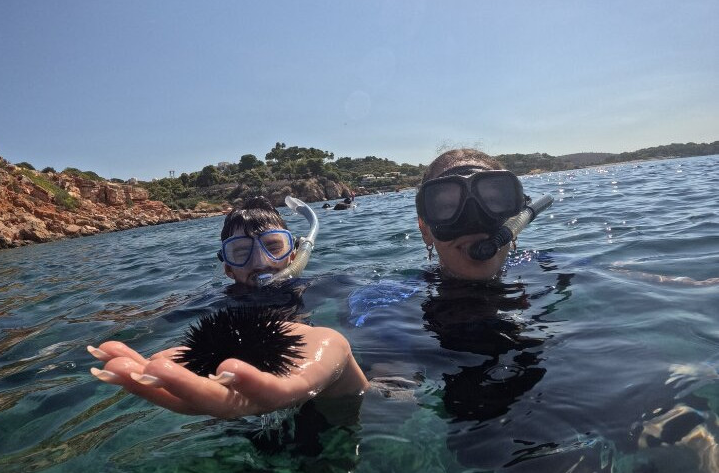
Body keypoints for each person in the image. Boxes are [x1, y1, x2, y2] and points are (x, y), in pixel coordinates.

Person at [89, 196, 369, 417]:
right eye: (241, 251)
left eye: (273, 246)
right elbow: (154, 325)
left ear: (293, 254)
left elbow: (371, 312)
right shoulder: (213, 301)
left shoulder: (326, 285)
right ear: (228, 269)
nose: (260, 261)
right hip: (236, 385)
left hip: (321, 384)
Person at [415, 148, 528, 281]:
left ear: (515, 218)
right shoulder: (403, 292)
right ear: (425, 230)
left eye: (492, 200)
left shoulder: (544, 269)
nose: (474, 220)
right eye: (448, 206)